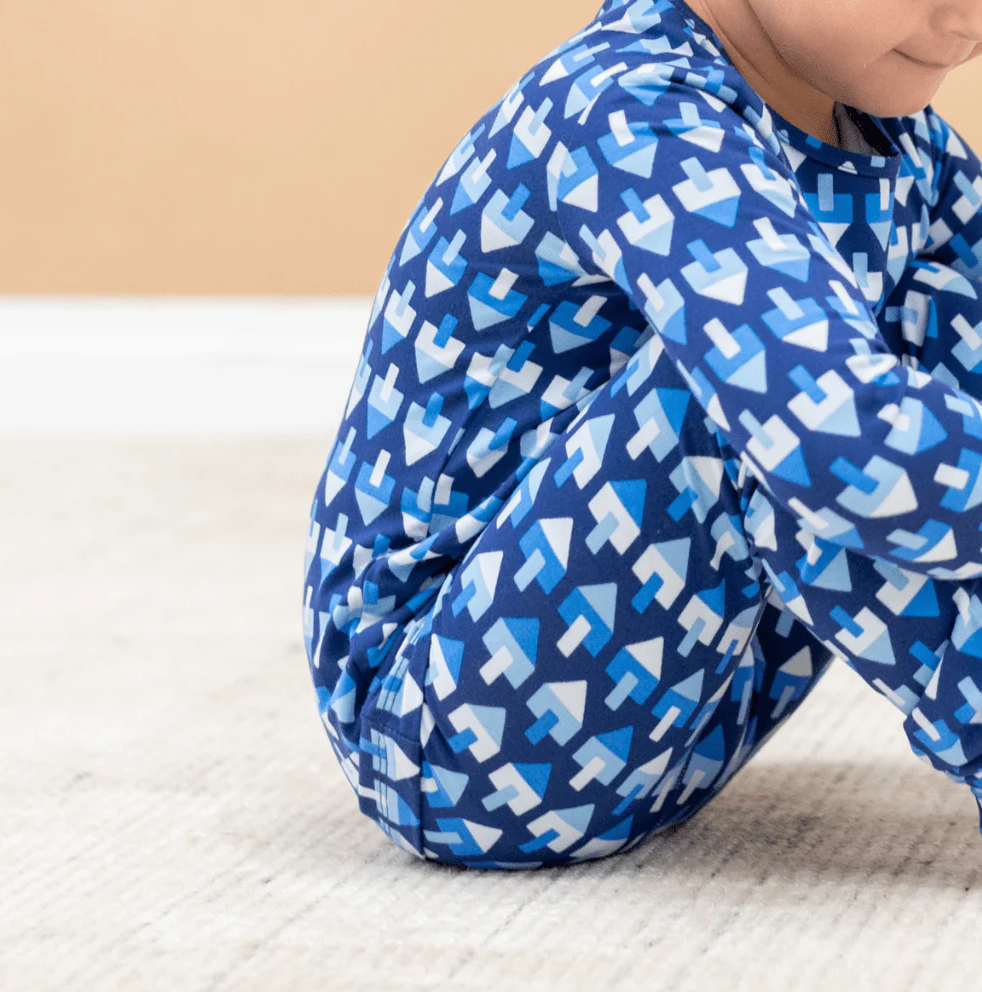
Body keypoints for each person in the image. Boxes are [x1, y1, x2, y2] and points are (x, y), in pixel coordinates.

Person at [302, 0, 982, 868]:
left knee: (931, 311)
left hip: (700, 709)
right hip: (446, 735)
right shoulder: (630, 109)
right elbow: (830, 435)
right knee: (781, 399)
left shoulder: (903, 145)